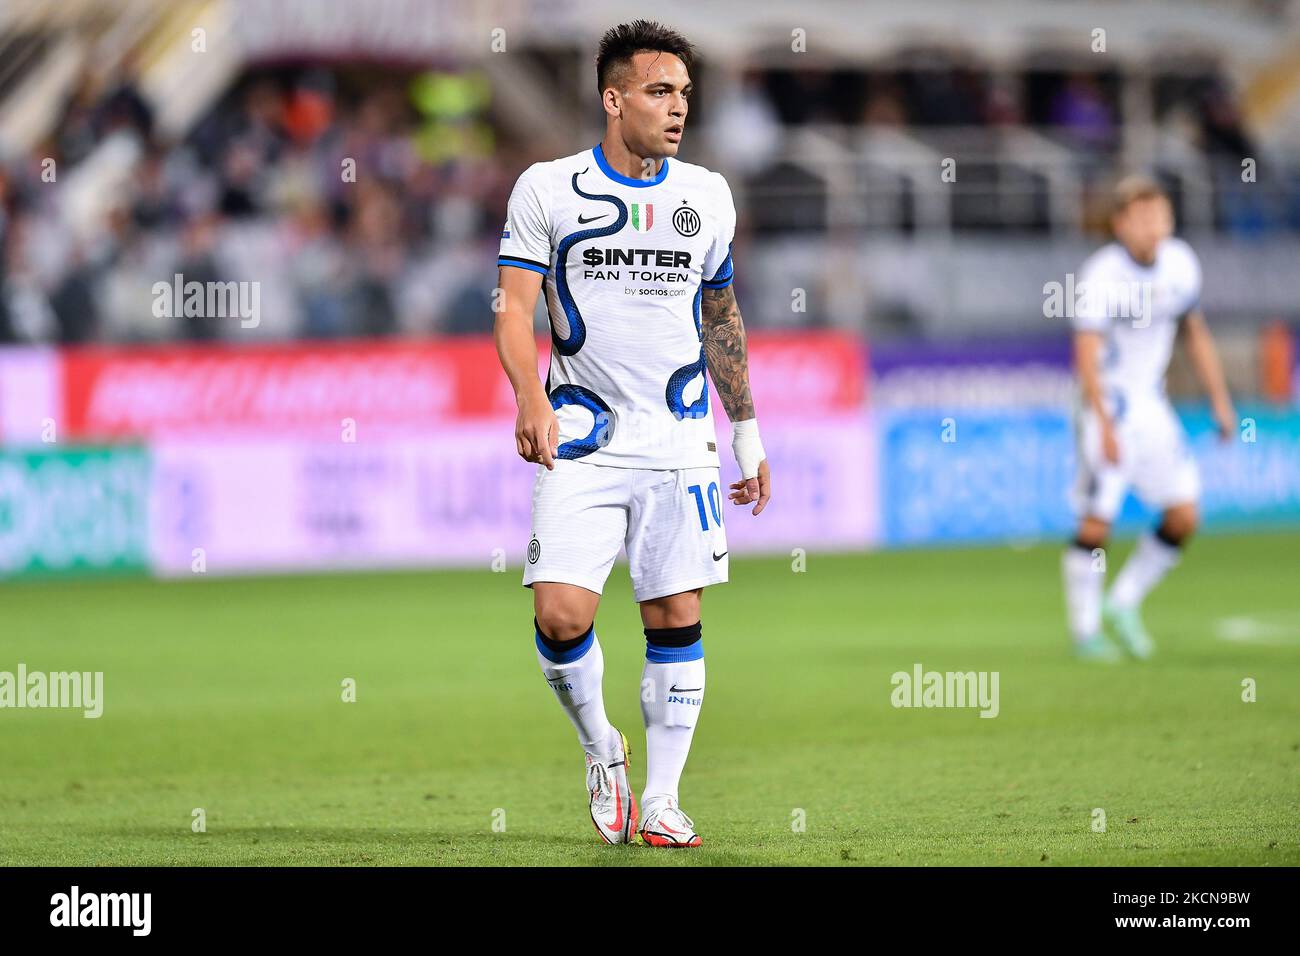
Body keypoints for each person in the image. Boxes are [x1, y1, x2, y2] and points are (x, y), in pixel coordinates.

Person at [492, 20, 771, 846]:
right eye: (659, 91)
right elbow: (512, 306)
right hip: (579, 432)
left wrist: (747, 433)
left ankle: (663, 800)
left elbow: (722, 315)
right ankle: (600, 748)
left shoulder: (707, 196)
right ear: (614, 100)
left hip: (681, 439)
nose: (678, 107)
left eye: (684, 92)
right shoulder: (547, 188)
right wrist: (527, 398)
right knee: (562, 616)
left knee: (675, 614)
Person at [1062, 175, 1236, 661]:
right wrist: (1103, 423)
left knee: (1184, 514)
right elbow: (1086, 352)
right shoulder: (1102, 275)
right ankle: (1085, 631)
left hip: (1151, 403)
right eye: (1141, 218)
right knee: (1098, 522)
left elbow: (1194, 334)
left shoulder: (1181, 264)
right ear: (1119, 225)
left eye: (1159, 215)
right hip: (1108, 402)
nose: (1152, 226)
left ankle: (1124, 602)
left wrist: (1220, 400)